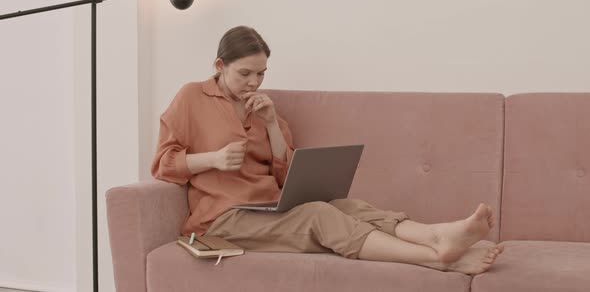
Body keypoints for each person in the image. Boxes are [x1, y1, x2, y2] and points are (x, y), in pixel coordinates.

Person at [151, 25, 504, 274]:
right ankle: (437, 259)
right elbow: (162, 164)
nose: (254, 83)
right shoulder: (191, 98)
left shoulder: (262, 106)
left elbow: (286, 176)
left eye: (261, 74)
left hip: (268, 207)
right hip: (223, 219)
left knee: (345, 205)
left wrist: (273, 123)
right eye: (245, 74)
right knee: (319, 215)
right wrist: (211, 159)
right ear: (219, 66)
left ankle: (436, 234)